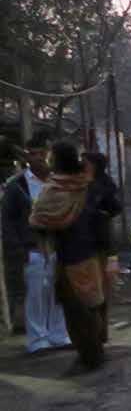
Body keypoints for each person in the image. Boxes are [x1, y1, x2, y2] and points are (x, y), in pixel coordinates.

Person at [29, 142, 112, 371]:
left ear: (56, 160)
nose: (47, 159)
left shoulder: (53, 189)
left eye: (49, 156)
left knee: (76, 311)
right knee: (92, 305)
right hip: (90, 253)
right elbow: (106, 210)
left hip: (69, 256)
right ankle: (95, 352)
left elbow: (38, 220)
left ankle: (88, 357)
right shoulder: (86, 184)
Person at [0, 133, 70, 351]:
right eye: (33, 154)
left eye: (42, 153)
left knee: (59, 293)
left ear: (49, 155)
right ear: (27, 157)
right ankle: (38, 339)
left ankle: (59, 335)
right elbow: (7, 220)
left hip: (58, 244)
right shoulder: (17, 185)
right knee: (36, 295)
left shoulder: (60, 180)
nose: (38, 158)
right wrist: (18, 248)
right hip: (33, 247)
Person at [82, 152, 123, 343]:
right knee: (93, 292)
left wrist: (97, 212)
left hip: (100, 244)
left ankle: (99, 333)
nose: (82, 165)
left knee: (100, 293)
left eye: (86, 163)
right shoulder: (84, 183)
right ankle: (97, 332)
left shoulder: (100, 186)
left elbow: (115, 208)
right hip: (87, 243)